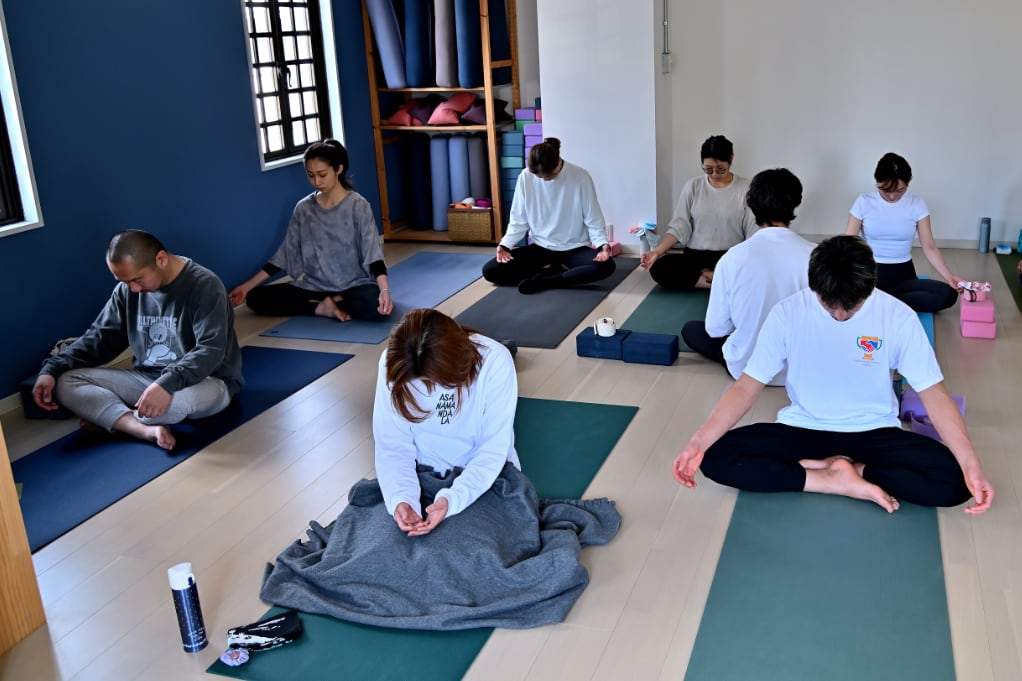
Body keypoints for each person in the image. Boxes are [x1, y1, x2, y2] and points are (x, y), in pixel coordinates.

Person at [672, 235, 993, 515]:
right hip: (803, 428)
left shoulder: (897, 316)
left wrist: (971, 464)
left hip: (874, 432)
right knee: (715, 456)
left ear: (869, 288)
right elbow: (746, 387)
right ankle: (827, 479)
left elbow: (933, 393)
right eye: (830, 305)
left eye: (850, 307)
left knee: (953, 480)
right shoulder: (787, 313)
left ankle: (852, 471)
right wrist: (697, 442)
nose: (839, 314)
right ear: (814, 286)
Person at [32, 230, 244, 450]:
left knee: (174, 406)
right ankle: (145, 429)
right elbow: (98, 339)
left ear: (161, 259)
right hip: (146, 380)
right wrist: (51, 369)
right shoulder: (126, 291)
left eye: (136, 279)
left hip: (206, 382)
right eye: (124, 282)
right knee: (65, 382)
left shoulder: (205, 286)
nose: (133, 289)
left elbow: (211, 350)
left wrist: (167, 383)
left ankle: (115, 416)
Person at [373, 308, 519, 536]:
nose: (428, 388)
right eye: (422, 382)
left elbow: (492, 451)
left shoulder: (496, 361)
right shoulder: (392, 364)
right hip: (421, 476)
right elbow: (392, 446)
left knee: (476, 549)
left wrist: (451, 500)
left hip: (484, 479)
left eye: (434, 382)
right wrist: (402, 499)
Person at [230, 139, 394, 322]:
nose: (316, 181)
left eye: (322, 175)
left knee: (374, 307)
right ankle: (321, 307)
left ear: (338, 169)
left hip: (353, 286)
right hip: (314, 286)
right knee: (256, 298)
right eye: (311, 175)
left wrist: (385, 290)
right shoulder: (303, 209)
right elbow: (285, 254)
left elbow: (374, 255)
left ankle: (331, 301)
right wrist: (246, 287)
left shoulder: (358, 205)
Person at [681, 168, 815, 386]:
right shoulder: (815, 255)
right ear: (795, 204)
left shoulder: (732, 258)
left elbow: (716, 329)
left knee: (692, 330)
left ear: (752, 206)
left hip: (747, 368)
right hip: (800, 368)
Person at [481, 138, 615, 294]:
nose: (544, 180)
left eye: (548, 176)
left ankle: (546, 280)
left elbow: (593, 219)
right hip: (540, 248)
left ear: (557, 161)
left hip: (573, 248)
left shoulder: (580, 176)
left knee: (606, 266)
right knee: (490, 270)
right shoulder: (525, 177)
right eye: (539, 177)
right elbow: (518, 220)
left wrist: (603, 246)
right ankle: (560, 276)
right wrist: (505, 246)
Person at [844, 152, 961, 312]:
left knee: (947, 294)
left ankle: (882, 303)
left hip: (904, 276)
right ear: (877, 183)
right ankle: (891, 303)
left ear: (907, 184)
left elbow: (929, 246)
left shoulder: (917, 204)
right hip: (869, 274)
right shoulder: (864, 202)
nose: (892, 196)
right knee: (845, 292)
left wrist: (949, 276)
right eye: (885, 190)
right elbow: (847, 243)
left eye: (899, 190)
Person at [640, 135, 756, 290]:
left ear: (731, 160)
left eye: (720, 169)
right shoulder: (693, 186)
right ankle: (713, 281)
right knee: (660, 267)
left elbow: (753, 231)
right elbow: (679, 226)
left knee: (755, 269)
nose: (714, 174)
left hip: (730, 257)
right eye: (708, 169)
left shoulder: (746, 188)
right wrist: (656, 252)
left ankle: (708, 279)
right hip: (696, 257)